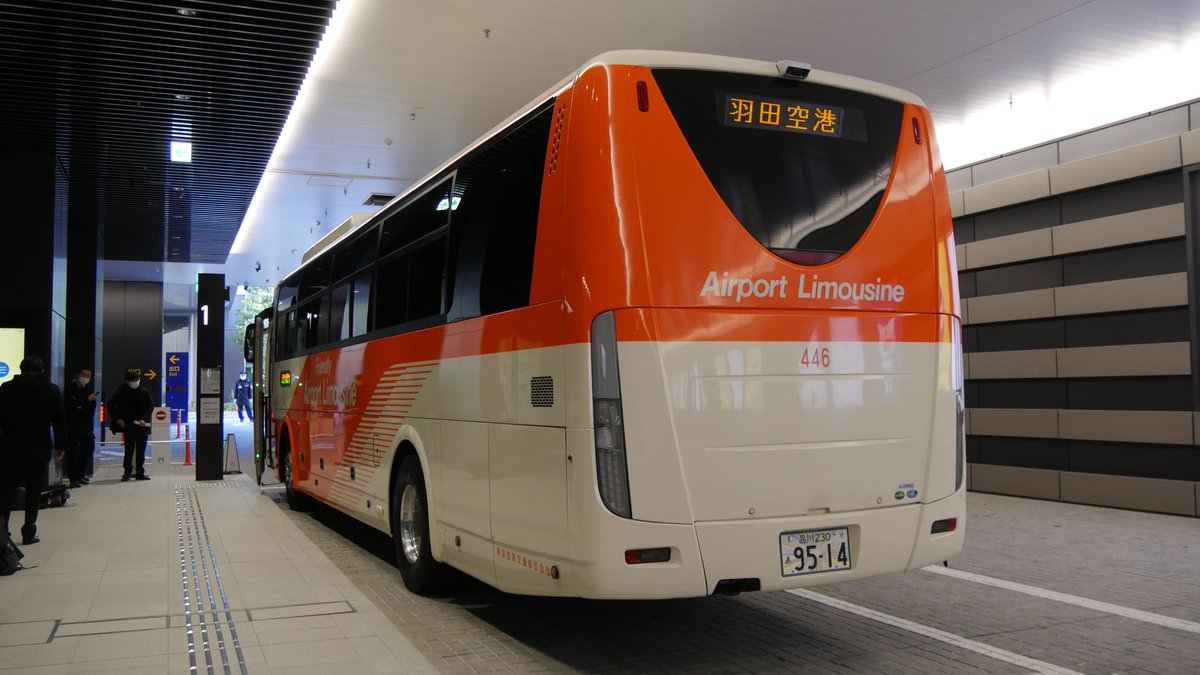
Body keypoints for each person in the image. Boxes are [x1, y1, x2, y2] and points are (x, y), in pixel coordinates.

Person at [0, 356, 67, 545]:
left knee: (5, 491)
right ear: (42, 371)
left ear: (21, 369)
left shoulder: (6, 388)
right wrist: (61, 445)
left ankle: (3, 532)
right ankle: (29, 532)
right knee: (33, 490)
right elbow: (59, 420)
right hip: (38, 446)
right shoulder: (51, 389)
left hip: (9, 446)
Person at [107, 370, 154, 481]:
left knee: (141, 450)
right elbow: (110, 405)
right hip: (128, 425)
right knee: (129, 450)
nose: (135, 382)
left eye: (137, 380)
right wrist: (117, 419)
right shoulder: (121, 392)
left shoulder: (144, 392)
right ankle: (127, 473)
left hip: (142, 425)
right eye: (132, 380)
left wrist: (144, 419)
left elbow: (150, 406)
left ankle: (140, 472)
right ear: (127, 381)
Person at [64, 367, 97, 488]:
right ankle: (73, 478)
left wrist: (81, 405)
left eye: (89, 376)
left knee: (88, 448)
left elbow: (90, 407)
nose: (86, 378)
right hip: (72, 426)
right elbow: (71, 406)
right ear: (77, 375)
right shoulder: (69, 389)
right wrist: (85, 401)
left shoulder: (88, 389)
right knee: (72, 453)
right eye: (85, 375)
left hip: (86, 426)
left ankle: (80, 474)